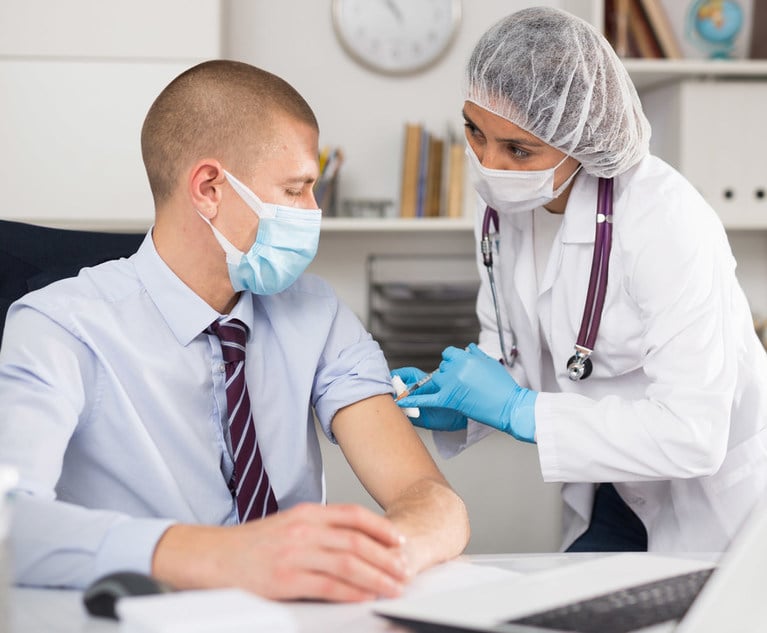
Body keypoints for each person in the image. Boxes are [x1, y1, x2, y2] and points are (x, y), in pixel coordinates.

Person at [0, 59, 469, 601]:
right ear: (209, 188)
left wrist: (375, 557)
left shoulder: (316, 313)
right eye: (296, 190)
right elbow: (11, 520)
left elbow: (430, 498)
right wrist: (231, 558)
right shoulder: (59, 326)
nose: (314, 211)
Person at [393, 7, 767, 554]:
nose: (489, 165)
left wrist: (519, 410)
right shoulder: (501, 206)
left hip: (715, 504)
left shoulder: (665, 219)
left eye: (518, 150)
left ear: (581, 140)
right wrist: (463, 406)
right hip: (611, 481)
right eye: (475, 131)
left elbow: (692, 434)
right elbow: (513, 356)